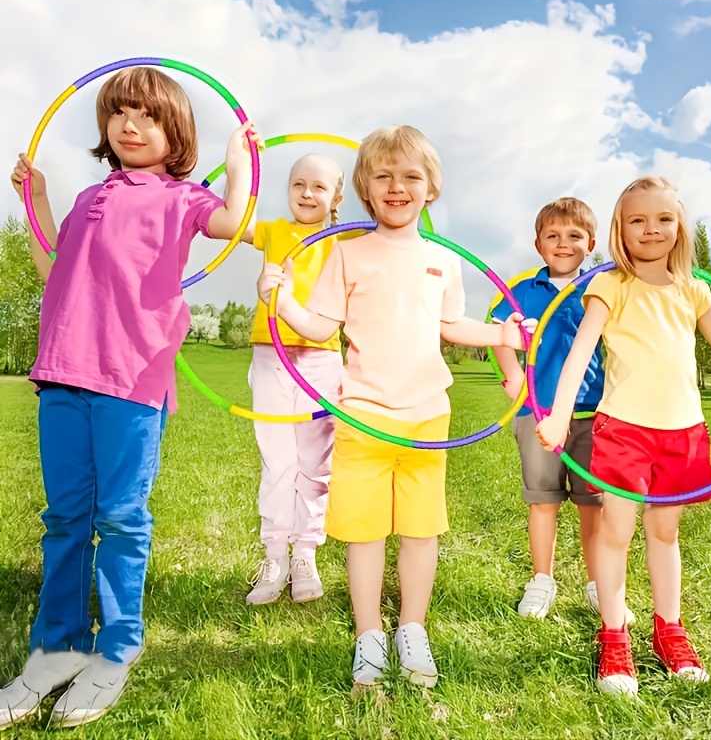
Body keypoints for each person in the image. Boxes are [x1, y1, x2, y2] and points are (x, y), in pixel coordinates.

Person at [1, 67, 259, 728]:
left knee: (119, 516)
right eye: (119, 113)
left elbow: (236, 222)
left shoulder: (182, 200)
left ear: (176, 134)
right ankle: (56, 646)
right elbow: (54, 268)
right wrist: (41, 198)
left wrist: (237, 163)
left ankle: (116, 647)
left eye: (147, 115)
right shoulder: (90, 198)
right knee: (64, 517)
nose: (130, 124)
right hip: (63, 372)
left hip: (131, 379)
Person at [258, 125, 528, 688]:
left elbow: (451, 324)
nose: (397, 186)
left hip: (427, 416)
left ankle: (412, 627)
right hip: (362, 414)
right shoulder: (347, 254)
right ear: (364, 188)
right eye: (383, 176)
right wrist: (279, 296)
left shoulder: (443, 260)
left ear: (431, 188)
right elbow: (319, 324)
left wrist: (501, 336)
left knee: (421, 530)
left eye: (410, 176)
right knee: (364, 532)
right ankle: (368, 635)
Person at [536, 176, 711, 696]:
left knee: (665, 534)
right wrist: (557, 416)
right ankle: (615, 633)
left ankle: (669, 629)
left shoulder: (694, 289)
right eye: (638, 220)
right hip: (623, 430)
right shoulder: (609, 286)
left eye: (664, 219)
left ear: (680, 226)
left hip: (683, 433)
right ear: (620, 230)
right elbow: (580, 353)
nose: (651, 229)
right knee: (617, 532)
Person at [491, 198, 633, 625]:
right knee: (543, 501)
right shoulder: (525, 291)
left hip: (593, 412)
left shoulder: (602, 286)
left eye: (574, 236)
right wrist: (514, 375)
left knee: (594, 503)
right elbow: (501, 335)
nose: (563, 243)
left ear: (590, 243)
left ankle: (598, 583)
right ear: (538, 244)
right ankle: (541, 579)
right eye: (553, 235)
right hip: (538, 411)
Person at [245, 154, 345, 606]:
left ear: (337, 197)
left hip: (321, 357)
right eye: (298, 184)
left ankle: (305, 553)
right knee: (277, 457)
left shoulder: (345, 242)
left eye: (319, 187)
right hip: (271, 354)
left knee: (314, 462)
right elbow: (226, 218)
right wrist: (237, 157)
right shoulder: (273, 232)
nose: (307, 194)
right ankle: (275, 555)